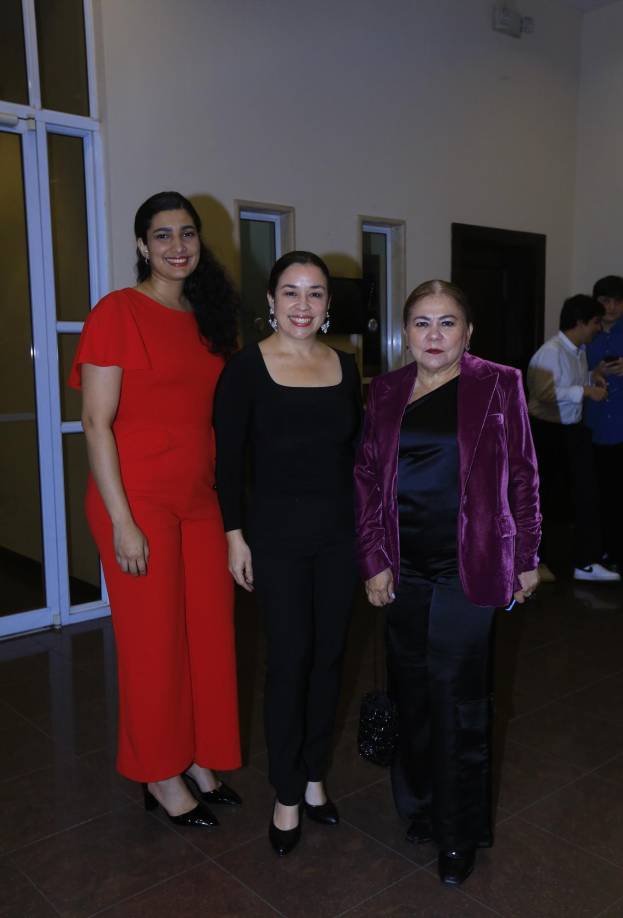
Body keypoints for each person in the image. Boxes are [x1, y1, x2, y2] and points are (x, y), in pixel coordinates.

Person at [354, 279, 540, 887]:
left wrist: (527, 556)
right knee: (412, 694)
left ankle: (459, 831)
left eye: (447, 323)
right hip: (403, 568)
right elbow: (365, 479)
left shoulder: (499, 383)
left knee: (458, 699)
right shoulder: (382, 391)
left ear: (468, 331)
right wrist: (374, 559)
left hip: (472, 566)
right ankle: (421, 807)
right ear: (404, 332)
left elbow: (524, 477)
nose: (434, 336)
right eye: (421, 323)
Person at [69, 191, 242, 827]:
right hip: (135, 499)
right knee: (153, 642)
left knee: (208, 634)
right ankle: (159, 774)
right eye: (163, 235)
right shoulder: (118, 311)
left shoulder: (207, 318)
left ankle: (199, 754)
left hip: (200, 499)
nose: (178, 246)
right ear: (142, 245)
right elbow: (95, 421)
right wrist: (121, 522)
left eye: (188, 234)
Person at [213, 251, 361, 856]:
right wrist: (234, 535)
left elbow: (359, 459)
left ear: (328, 305)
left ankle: (316, 775)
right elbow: (225, 463)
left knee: (330, 661)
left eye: (316, 293)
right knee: (290, 662)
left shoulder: (348, 368)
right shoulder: (245, 369)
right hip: (275, 538)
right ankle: (286, 792)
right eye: (292, 292)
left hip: (340, 537)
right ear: (271, 301)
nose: (304, 304)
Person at [527, 294, 619, 582]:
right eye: (595, 323)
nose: (598, 329)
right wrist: (585, 392)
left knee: (579, 498)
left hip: (570, 431)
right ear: (580, 323)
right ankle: (559, 562)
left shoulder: (577, 350)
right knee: (549, 501)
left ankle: (583, 560)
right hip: (549, 434)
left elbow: (569, 383)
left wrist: (593, 377)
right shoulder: (550, 352)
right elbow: (542, 394)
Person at [585, 276, 623, 570]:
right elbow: (571, 376)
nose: (612, 307)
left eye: (618, 301)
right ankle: (603, 551)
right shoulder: (587, 332)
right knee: (598, 494)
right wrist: (594, 372)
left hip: (621, 423)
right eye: (606, 301)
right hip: (593, 424)